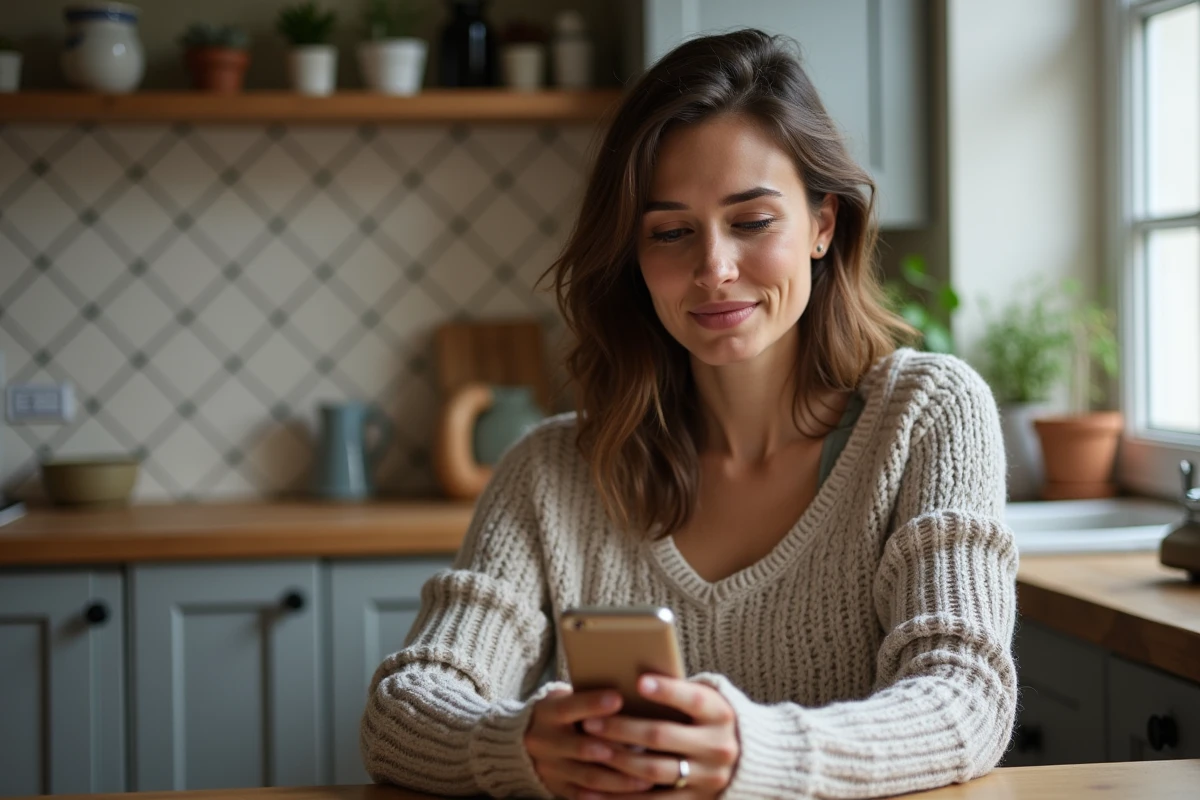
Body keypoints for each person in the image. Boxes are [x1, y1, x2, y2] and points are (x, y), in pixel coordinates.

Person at [360, 29, 1017, 800]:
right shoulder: (551, 473)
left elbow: (966, 697)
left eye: (751, 221)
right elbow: (398, 715)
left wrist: (756, 751)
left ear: (823, 224)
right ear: (634, 260)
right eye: (671, 232)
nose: (713, 269)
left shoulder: (929, 415)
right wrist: (517, 745)